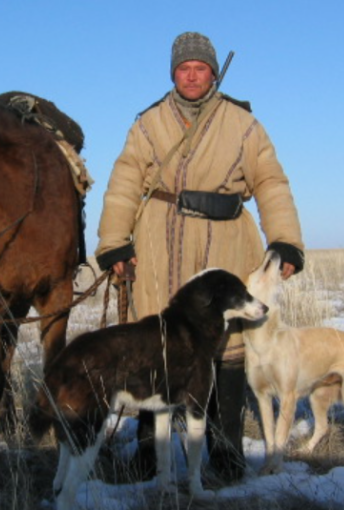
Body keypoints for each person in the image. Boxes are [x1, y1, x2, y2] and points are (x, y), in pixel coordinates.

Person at [94, 31, 305, 483]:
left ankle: (225, 453)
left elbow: (270, 181)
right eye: (183, 68)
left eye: (200, 68)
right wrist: (114, 242)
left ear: (213, 72)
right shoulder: (149, 123)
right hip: (158, 242)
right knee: (159, 343)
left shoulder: (243, 124)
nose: (192, 76)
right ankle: (150, 454)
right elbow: (125, 181)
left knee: (226, 349)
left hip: (226, 240)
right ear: (174, 73)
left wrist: (285, 240)